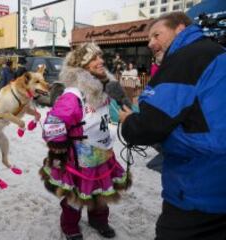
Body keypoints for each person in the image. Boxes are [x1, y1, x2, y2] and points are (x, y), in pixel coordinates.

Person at [119, 12, 226, 240]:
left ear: (180, 29)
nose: (150, 43)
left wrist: (128, 121)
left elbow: (148, 126)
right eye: (149, 38)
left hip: (200, 185)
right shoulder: (215, 53)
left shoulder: (186, 58)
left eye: (157, 34)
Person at [40, 42, 130, 240]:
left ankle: (99, 220)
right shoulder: (73, 95)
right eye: (94, 58)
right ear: (82, 65)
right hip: (81, 157)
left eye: (100, 56)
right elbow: (53, 123)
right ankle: (70, 225)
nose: (100, 61)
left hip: (104, 152)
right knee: (76, 196)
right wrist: (59, 149)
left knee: (101, 191)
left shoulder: (105, 87)